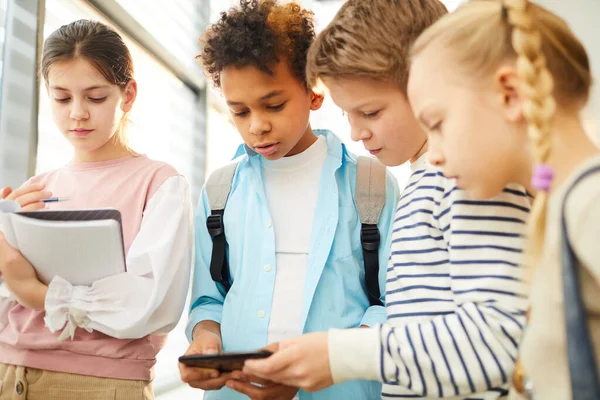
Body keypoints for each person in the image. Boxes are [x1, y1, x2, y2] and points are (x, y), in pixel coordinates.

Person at [243, 1, 531, 398]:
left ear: (429, 82)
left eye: (371, 112)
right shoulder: (426, 181)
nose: (358, 133)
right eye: (348, 115)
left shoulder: (465, 178)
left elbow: (501, 340)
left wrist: (338, 355)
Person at [179, 1, 399, 399]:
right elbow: (209, 300)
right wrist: (206, 341)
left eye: (274, 105)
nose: (257, 125)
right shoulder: (219, 193)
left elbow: (394, 304)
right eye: (239, 111)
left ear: (314, 92)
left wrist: (333, 361)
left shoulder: (371, 187)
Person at [406, 1, 597, 398]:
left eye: (438, 124)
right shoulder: (558, 208)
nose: (434, 153)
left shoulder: (590, 203)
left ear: (510, 94)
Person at [0, 19, 192, 400]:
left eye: (96, 97)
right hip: (8, 370)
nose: (77, 113)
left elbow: (150, 304)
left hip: (100, 384)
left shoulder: (158, 184)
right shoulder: (36, 188)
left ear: (129, 94)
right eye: (62, 97)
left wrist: (31, 289)